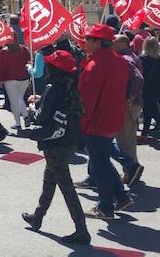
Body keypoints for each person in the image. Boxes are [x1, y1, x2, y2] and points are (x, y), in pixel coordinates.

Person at [21, 51, 90, 245]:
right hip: (68, 140)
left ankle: (81, 229)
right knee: (49, 181)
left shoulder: (53, 88)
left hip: (54, 142)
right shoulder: (70, 86)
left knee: (66, 187)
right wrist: (41, 99)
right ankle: (38, 216)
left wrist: (33, 109)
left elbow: (41, 117)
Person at [78, 24, 133, 220]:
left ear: (97, 42)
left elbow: (88, 100)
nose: (85, 42)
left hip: (97, 122)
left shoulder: (95, 65)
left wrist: (82, 123)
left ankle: (105, 207)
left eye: (88, 39)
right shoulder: (120, 62)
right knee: (102, 161)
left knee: (99, 166)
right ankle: (121, 196)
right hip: (114, 119)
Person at [113, 34, 145, 185]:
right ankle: (132, 171)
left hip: (128, 104)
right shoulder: (131, 56)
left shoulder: (125, 60)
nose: (111, 42)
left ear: (122, 43)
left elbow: (137, 79)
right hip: (133, 103)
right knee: (128, 139)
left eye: (114, 41)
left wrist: (129, 97)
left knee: (124, 140)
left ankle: (130, 172)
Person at [0, 34, 31, 131]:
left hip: (10, 79)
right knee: (19, 98)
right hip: (24, 78)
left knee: (14, 101)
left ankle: (19, 122)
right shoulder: (24, 49)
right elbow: (29, 61)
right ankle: (25, 116)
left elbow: (0, 67)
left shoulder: (4, 51)